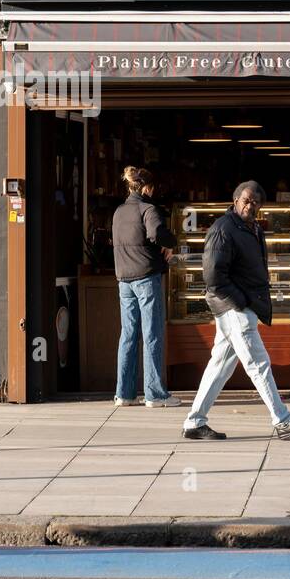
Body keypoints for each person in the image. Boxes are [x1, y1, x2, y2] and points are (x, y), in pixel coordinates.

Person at [182, 181, 290, 441]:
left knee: (219, 366)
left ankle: (194, 422)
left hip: (240, 305)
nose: (250, 205)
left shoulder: (252, 228)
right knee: (258, 363)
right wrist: (241, 301)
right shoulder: (224, 229)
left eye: (255, 202)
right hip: (235, 308)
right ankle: (283, 420)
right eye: (246, 200)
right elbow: (213, 276)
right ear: (235, 200)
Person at [112, 166, 178, 408]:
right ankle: (155, 394)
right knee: (152, 334)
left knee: (128, 335)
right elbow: (157, 234)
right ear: (148, 188)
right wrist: (172, 243)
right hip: (146, 277)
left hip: (124, 280)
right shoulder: (148, 209)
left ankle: (124, 394)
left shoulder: (119, 211)